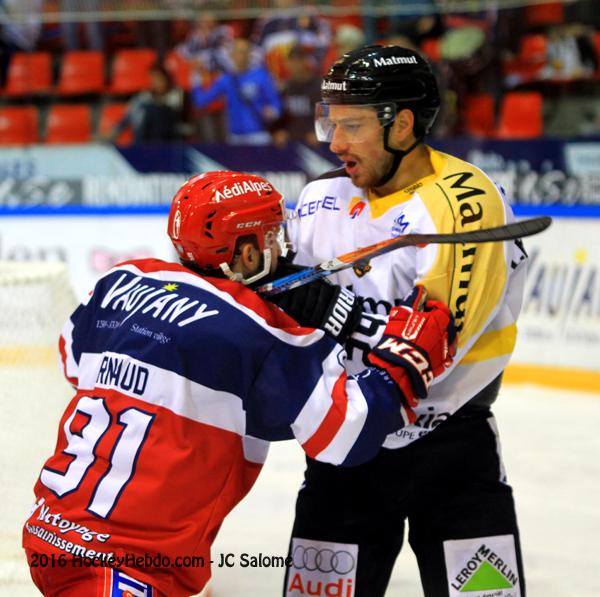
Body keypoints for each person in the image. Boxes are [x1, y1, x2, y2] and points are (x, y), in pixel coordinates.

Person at [22, 170, 455, 597]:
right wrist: (404, 360)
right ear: (247, 253)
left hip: (50, 532)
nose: (281, 247)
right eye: (271, 236)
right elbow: (347, 436)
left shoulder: (120, 281)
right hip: (124, 565)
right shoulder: (258, 332)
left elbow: (72, 359)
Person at [279, 45, 529, 597]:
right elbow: (285, 305)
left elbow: (434, 345)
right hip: (344, 446)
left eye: (352, 126)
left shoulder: (461, 202)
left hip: (449, 449)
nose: (335, 142)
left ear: (403, 125)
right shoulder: (322, 195)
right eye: (330, 122)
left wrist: (332, 309)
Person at [191, 38, 281, 145]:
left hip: (258, 135)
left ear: (250, 55)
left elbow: (276, 103)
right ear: (232, 55)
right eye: (238, 52)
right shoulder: (226, 80)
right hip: (235, 137)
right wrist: (196, 77)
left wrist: (272, 112)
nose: (241, 56)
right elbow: (200, 101)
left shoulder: (261, 76)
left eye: (244, 52)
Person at [103, 65, 184, 144]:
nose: (155, 82)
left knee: (150, 110)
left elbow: (172, 114)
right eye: (152, 79)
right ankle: (120, 135)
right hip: (146, 134)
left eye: (158, 78)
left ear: (166, 79)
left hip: (167, 135)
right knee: (139, 109)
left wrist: (151, 107)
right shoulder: (143, 97)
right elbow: (129, 115)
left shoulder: (175, 94)